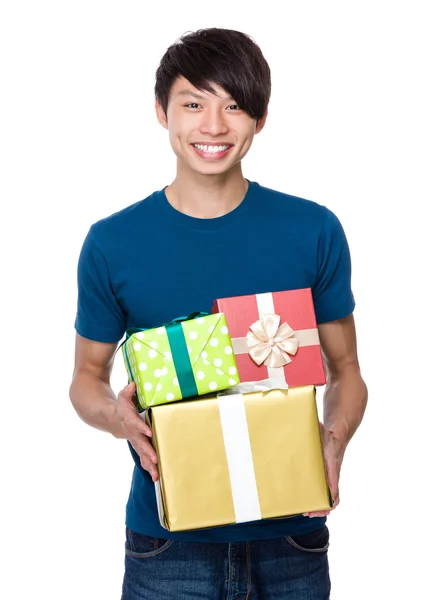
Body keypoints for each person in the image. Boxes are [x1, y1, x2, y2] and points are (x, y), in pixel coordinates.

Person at [70, 27, 368, 600]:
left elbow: (347, 369)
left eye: (234, 105)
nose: (213, 125)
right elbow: (85, 378)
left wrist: (334, 440)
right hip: (166, 543)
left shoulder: (313, 230)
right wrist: (118, 419)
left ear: (260, 117)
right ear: (162, 112)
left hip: (294, 541)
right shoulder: (112, 242)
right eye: (193, 103)